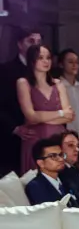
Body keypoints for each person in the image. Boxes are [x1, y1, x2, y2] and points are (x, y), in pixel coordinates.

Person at [15, 45, 74, 173]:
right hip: (36, 139)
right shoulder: (23, 83)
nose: (46, 61)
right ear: (32, 61)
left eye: (48, 58)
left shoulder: (58, 84)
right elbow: (31, 116)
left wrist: (41, 118)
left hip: (57, 138)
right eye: (40, 58)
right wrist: (60, 113)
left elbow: (69, 116)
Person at [0, 27, 42, 176]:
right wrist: (15, 128)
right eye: (31, 41)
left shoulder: (45, 71)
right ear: (20, 44)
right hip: (14, 139)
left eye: (38, 42)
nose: (35, 45)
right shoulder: (5, 70)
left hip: (41, 137)